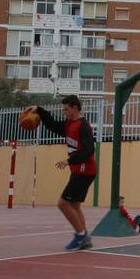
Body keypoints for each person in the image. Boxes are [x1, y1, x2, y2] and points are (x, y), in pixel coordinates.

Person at [24, 96, 97, 251]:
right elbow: (52, 125)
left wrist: (69, 161)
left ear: (75, 108)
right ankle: (84, 236)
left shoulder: (83, 125)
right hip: (80, 170)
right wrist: (40, 110)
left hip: (85, 170)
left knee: (63, 203)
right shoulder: (69, 123)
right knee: (74, 205)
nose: (64, 112)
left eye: (66, 109)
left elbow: (89, 149)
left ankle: (81, 236)